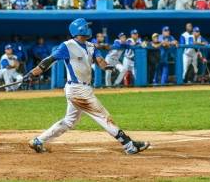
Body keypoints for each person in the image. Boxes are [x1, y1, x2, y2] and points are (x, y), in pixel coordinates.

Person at [26, 18, 150, 155]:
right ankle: (129, 145)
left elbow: (100, 61)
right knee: (103, 116)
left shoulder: (91, 46)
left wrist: (107, 66)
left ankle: (38, 141)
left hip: (83, 89)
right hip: (77, 90)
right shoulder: (67, 46)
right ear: (79, 30)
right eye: (86, 26)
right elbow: (49, 60)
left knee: (69, 121)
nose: (88, 28)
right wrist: (32, 73)